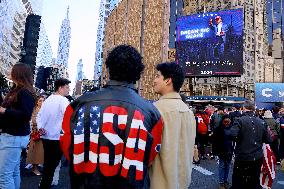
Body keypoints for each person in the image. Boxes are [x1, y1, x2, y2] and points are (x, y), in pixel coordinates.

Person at [60, 45, 163, 189]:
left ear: (109, 69)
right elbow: (150, 156)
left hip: (87, 182)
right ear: (138, 73)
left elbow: (67, 146)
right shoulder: (152, 112)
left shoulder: (78, 104)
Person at [150, 62, 196, 189]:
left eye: (157, 76)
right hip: (183, 182)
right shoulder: (189, 113)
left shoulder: (154, 110)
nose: (154, 80)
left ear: (168, 81)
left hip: (158, 183)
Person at [0, 63, 36, 189]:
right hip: (15, 136)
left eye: (12, 70)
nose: (10, 71)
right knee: (13, 172)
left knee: (4, 176)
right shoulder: (20, 90)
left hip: (13, 137)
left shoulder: (24, 92)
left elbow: (25, 115)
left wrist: (4, 111)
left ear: (18, 73)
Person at [227, 101, 271, 189]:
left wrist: (240, 139)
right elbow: (268, 140)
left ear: (243, 108)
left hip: (243, 156)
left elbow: (232, 135)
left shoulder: (239, 120)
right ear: (254, 109)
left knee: (238, 181)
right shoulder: (262, 122)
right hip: (257, 156)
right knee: (254, 180)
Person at [37, 78, 71, 189]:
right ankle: (45, 186)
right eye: (67, 87)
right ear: (60, 88)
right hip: (57, 138)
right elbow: (69, 118)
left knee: (48, 166)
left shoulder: (48, 100)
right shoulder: (63, 101)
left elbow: (39, 116)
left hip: (45, 136)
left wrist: (40, 127)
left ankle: (44, 185)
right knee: (51, 167)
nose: (68, 89)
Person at [212, 115, 233, 189]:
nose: (227, 123)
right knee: (222, 166)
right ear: (222, 121)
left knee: (227, 166)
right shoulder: (218, 129)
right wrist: (215, 152)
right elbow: (214, 142)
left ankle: (225, 181)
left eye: (228, 121)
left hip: (230, 150)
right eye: (225, 122)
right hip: (221, 151)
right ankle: (221, 183)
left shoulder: (232, 129)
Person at [26, 96, 45, 176]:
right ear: (37, 102)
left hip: (43, 134)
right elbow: (33, 120)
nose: (42, 102)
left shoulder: (45, 110)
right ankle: (34, 168)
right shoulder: (34, 110)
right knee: (35, 152)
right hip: (36, 134)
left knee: (40, 152)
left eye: (43, 101)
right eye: (40, 101)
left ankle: (36, 167)